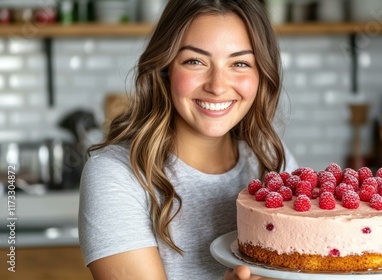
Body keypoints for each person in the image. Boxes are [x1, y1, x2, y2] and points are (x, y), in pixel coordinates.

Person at [78, 0, 299, 279]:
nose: (217, 86)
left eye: (240, 63)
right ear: (166, 67)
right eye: (195, 61)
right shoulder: (117, 174)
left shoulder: (268, 157)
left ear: (261, 74)